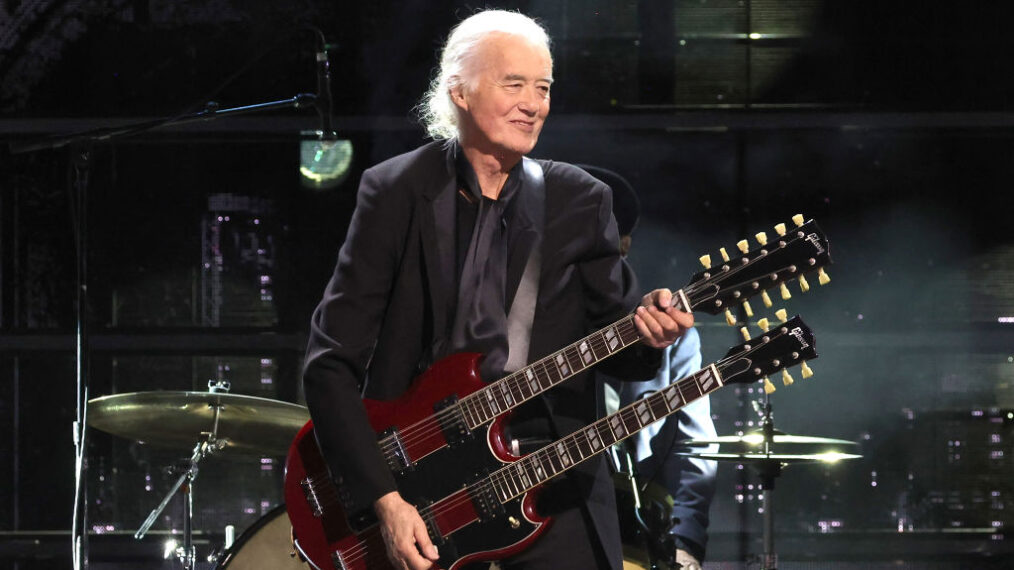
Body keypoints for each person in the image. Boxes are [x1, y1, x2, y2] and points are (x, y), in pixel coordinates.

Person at [302, 10, 694, 570]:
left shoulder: (581, 199)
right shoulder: (392, 193)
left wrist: (649, 332)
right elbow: (329, 364)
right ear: (458, 90)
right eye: (515, 84)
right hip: (424, 499)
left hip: (552, 486)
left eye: (544, 88)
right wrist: (384, 501)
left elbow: (624, 353)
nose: (533, 104)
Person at [580, 165, 718, 570]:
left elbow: (695, 447)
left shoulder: (670, 333)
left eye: (618, 252)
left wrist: (686, 541)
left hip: (631, 528)